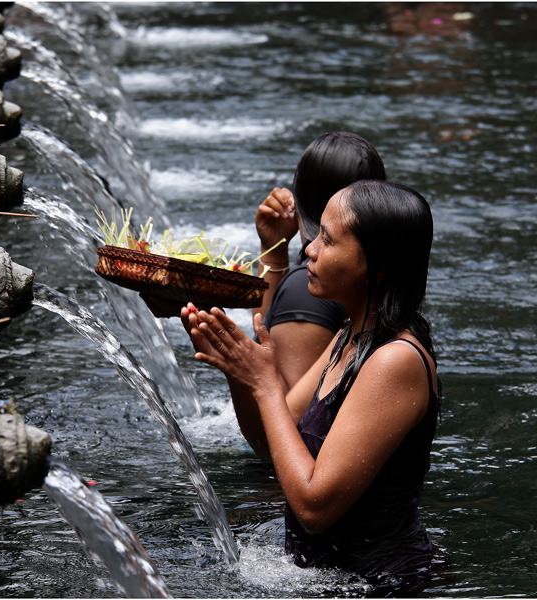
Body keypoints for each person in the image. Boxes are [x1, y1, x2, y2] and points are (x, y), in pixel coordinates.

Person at [181, 180, 441, 594]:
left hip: (379, 585)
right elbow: (272, 446)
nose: (309, 250)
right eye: (317, 233)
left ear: (376, 267)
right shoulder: (348, 337)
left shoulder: (395, 361)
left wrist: (265, 385)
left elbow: (314, 508)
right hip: (325, 577)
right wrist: (237, 369)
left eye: (329, 239)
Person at [253, 131, 386, 389]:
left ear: (298, 195)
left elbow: (289, 417)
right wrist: (273, 248)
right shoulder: (376, 268)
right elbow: (265, 332)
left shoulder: (307, 286)